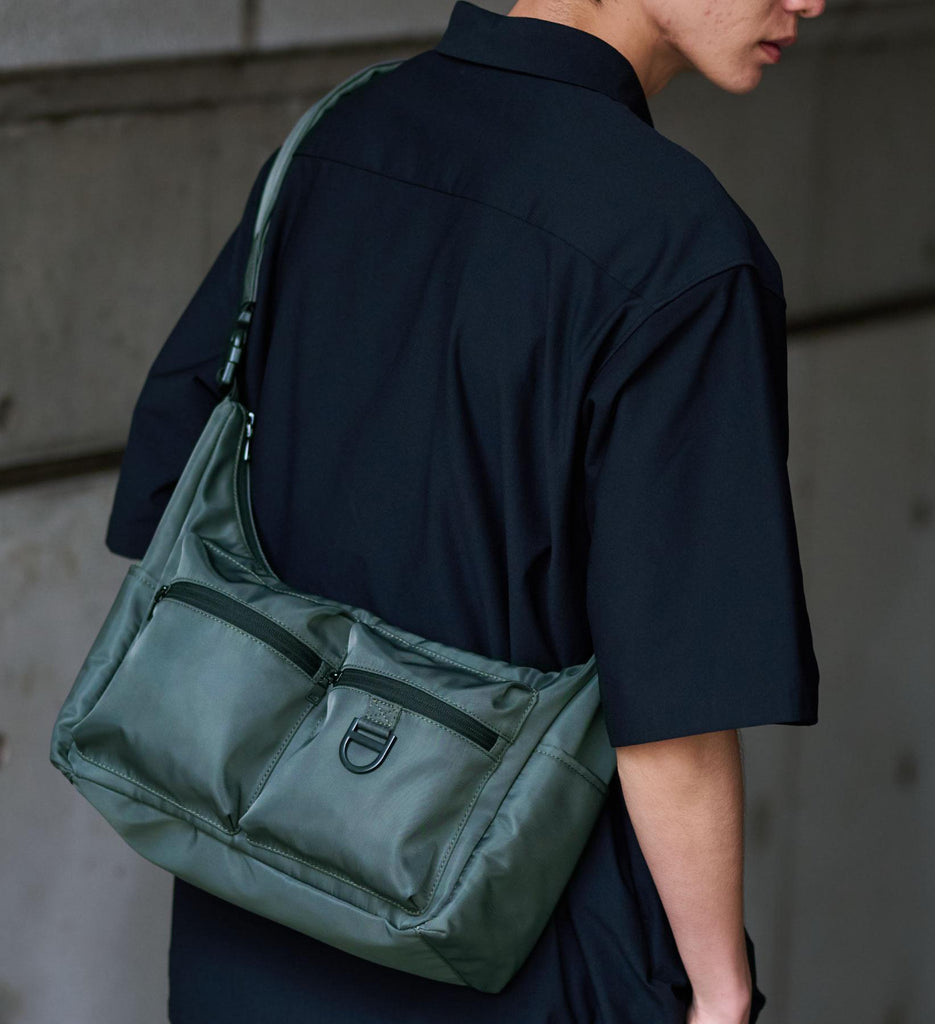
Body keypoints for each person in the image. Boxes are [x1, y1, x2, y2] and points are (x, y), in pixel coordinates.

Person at [104, 1, 824, 1021]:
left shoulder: (336, 138)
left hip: (250, 897)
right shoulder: (679, 246)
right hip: (507, 928)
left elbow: (170, 503)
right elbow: (674, 706)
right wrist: (721, 993)